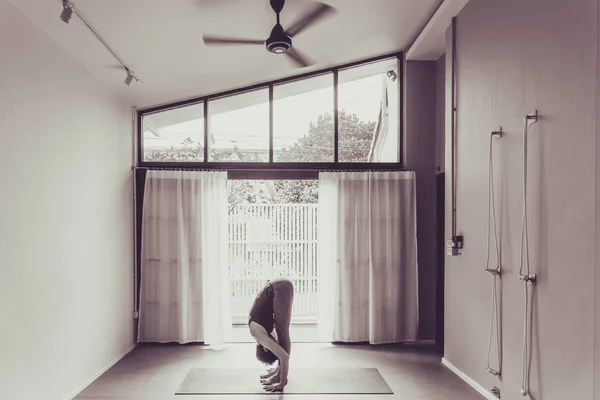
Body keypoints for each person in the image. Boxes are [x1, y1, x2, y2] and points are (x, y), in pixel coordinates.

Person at [248, 277, 294, 392]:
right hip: (276, 285)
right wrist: (276, 370)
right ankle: (278, 373)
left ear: (265, 348)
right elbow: (282, 354)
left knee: (282, 332)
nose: (274, 342)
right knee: (281, 331)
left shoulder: (261, 336)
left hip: (280, 287)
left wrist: (281, 383)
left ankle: (280, 376)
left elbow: (284, 357)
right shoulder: (260, 332)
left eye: (272, 347)